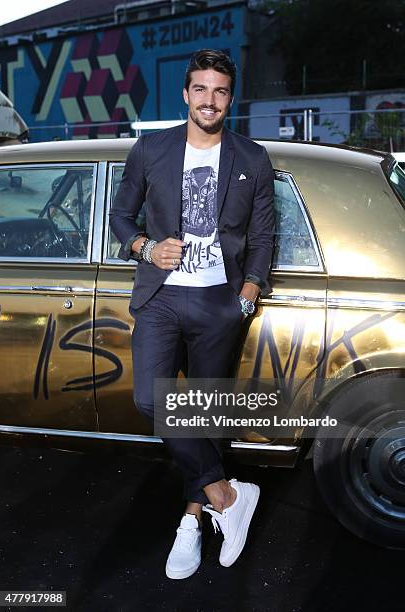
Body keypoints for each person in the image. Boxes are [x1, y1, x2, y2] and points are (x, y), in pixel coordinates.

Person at [109, 48, 275, 579]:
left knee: (199, 412)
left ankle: (190, 522)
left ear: (231, 98)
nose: (209, 100)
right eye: (200, 89)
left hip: (217, 301)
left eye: (220, 91)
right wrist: (144, 247)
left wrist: (246, 295)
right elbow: (120, 215)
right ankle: (226, 495)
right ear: (185, 95)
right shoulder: (151, 149)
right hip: (160, 295)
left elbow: (265, 235)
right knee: (149, 399)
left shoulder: (251, 157)